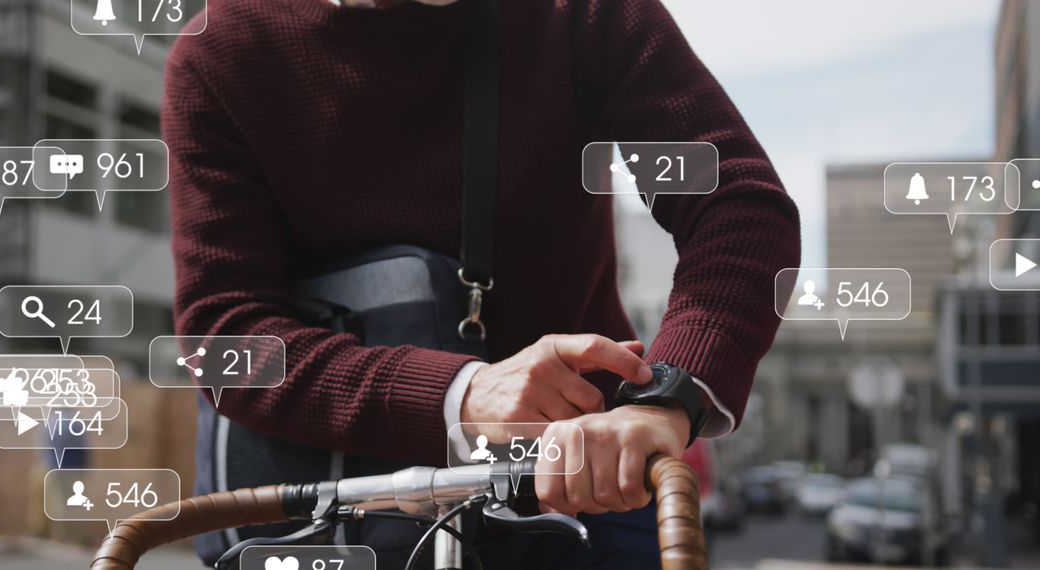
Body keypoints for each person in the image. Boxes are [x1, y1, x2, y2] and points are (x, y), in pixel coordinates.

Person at [163, 0, 800, 567]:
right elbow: (225, 335)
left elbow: (738, 209)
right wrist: (462, 395)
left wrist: (667, 399)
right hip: (333, 516)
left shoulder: (580, 16)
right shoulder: (221, 54)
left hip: (582, 479)